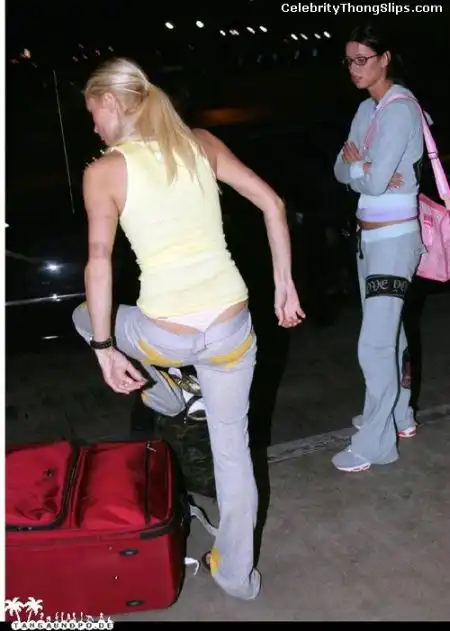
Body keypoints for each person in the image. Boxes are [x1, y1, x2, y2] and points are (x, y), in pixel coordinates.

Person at [72, 57, 305, 599]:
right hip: (232, 329)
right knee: (233, 454)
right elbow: (272, 203)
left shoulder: (105, 170)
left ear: (110, 102)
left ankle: (167, 387)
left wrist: (105, 349)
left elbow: (99, 261)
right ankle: (237, 576)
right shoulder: (200, 143)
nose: (94, 128)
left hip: (166, 335)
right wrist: (284, 286)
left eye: (92, 114)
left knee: (84, 316)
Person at [333, 24, 426, 472]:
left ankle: (375, 444)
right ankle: (399, 415)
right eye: (349, 60)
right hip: (368, 239)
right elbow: (340, 169)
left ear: (384, 58)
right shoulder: (365, 109)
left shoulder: (400, 110)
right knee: (392, 333)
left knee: (374, 343)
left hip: (393, 240)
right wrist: (365, 170)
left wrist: (363, 170)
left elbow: (368, 180)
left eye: (362, 60)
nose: (354, 68)